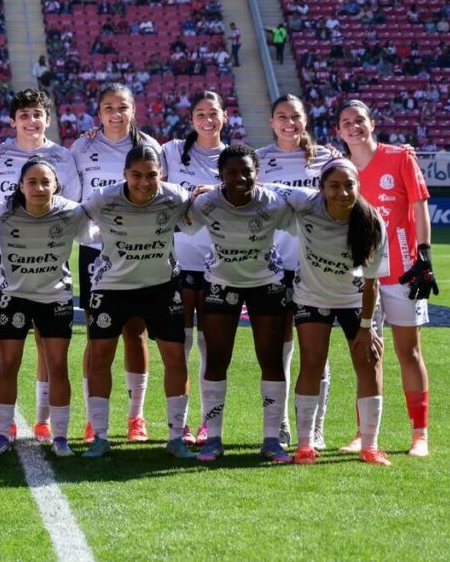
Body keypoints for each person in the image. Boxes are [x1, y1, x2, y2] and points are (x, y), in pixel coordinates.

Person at [78, 145, 198, 458]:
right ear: (124, 175)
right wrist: (95, 236)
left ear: (162, 175)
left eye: (151, 175)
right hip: (112, 287)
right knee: (100, 357)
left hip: (160, 288)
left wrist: (208, 193)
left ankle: (176, 437)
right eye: (136, 175)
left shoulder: (175, 196)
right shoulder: (105, 197)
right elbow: (77, 219)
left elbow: (195, 218)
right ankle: (100, 434)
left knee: (175, 359)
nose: (144, 182)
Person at [271, 159, 392, 466]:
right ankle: (305, 445)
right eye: (334, 185)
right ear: (321, 188)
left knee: (369, 364)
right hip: (311, 297)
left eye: (349, 185)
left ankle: (370, 446)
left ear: (358, 186)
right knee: (312, 363)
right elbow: (266, 188)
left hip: (357, 302)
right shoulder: (306, 204)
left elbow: (371, 283)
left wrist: (366, 327)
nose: (342, 192)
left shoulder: (372, 221)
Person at [336, 99, 435, 458]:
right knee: (366, 355)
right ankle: (364, 433)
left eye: (359, 120)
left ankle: (419, 434)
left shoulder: (400, 157)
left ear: (372, 123)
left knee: (408, 351)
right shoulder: (340, 167)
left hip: (404, 270)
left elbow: (419, 205)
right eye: (346, 122)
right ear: (339, 131)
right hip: (362, 275)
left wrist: (424, 254)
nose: (354, 126)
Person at [0, 88, 79, 442]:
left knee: (48, 352)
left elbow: (74, 208)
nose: (31, 121)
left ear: (47, 119)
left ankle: (43, 421)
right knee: (6, 355)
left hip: (52, 266)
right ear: (13, 120)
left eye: (37, 114)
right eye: (23, 115)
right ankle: (3, 426)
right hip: (11, 268)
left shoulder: (64, 156)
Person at [187, 145, 295, 463]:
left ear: (256, 173)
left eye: (246, 171)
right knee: (217, 360)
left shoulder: (273, 203)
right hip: (221, 283)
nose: (240, 177)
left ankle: (272, 440)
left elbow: (301, 224)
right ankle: (213, 438)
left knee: (272, 360)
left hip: (267, 284)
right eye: (232, 172)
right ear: (220, 175)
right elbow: (185, 225)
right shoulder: (207, 203)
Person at [71, 83, 161, 444]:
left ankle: (136, 417)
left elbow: (158, 196)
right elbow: (75, 199)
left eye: (122, 106)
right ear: (99, 112)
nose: (115, 113)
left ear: (133, 110)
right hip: (96, 253)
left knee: (136, 333)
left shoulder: (149, 147)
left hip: (139, 251)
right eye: (108, 107)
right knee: (97, 336)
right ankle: (95, 419)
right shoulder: (83, 146)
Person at [0, 157, 87, 457]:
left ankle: (60, 437)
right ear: (21, 186)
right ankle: (3, 434)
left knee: (57, 366)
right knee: (8, 366)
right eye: (32, 182)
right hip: (13, 296)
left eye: (46, 182)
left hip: (54, 297)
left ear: (56, 184)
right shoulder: (4, 213)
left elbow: (96, 235)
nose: (40, 187)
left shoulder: (71, 212)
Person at [256, 94, 336, 449]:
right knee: (280, 348)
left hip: (316, 267)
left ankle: (315, 427)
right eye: (281, 116)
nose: (289, 122)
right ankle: (283, 422)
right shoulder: (258, 160)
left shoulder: (328, 159)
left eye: (296, 116)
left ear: (306, 119)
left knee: (317, 350)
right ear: (271, 122)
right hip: (274, 267)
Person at [162, 90, 227, 446]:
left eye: (213, 112)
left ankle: (208, 423)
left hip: (219, 265)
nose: (207, 119)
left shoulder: (234, 158)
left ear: (224, 117)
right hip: (179, 262)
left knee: (211, 349)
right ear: (191, 120)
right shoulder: (171, 150)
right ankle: (180, 424)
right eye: (200, 113)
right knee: (179, 346)